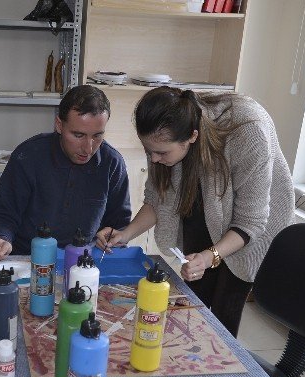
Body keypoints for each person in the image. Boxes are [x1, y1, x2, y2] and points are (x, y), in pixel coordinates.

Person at [96, 87, 294, 337]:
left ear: (192, 136)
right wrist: (124, 234)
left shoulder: (248, 132)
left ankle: (217, 359)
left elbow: (250, 221)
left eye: (161, 153)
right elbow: (157, 199)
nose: (154, 159)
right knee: (191, 301)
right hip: (207, 203)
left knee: (223, 315)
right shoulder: (165, 136)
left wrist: (210, 256)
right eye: (149, 151)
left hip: (252, 226)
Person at [0, 84, 132, 262]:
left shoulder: (112, 163)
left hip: (83, 261)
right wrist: (0, 239)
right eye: (78, 135)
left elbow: (119, 224)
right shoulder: (28, 155)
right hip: (28, 258)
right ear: (59, 125)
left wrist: (112, 238)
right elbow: (5, 214)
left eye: (97, 136)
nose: (88, 148)